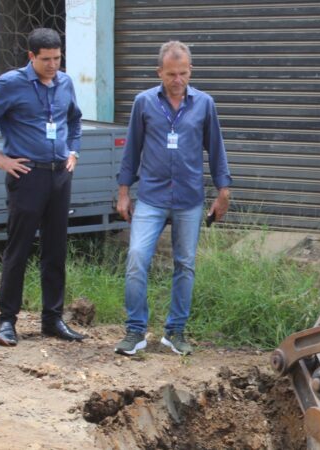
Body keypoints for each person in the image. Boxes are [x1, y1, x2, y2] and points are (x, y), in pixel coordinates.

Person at [0, 28, 85, 346]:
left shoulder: (65, 83)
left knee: (55, 250)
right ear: (31, 57)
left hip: (59, 175)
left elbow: (75, 119)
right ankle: (7, 322)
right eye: (45, 59)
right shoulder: (11, 84)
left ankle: (53, 319)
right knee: (18, 250)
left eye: (57, 59)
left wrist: (73, 150)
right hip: (27, 176)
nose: (52, 66)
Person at [115, 41, 232, 356]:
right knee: (137, 258)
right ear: (159, 72)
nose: (177, 80)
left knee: (185, 264)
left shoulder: (204, 104)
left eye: (182, 73)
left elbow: (216, 149)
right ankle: (135, 331)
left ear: (190, 70)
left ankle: (175, 332)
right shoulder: (144, 103)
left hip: (188, 198)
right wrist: (124, 192)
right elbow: (132, 150)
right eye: (171, 74)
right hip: (151, 196)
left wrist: (223, 191)